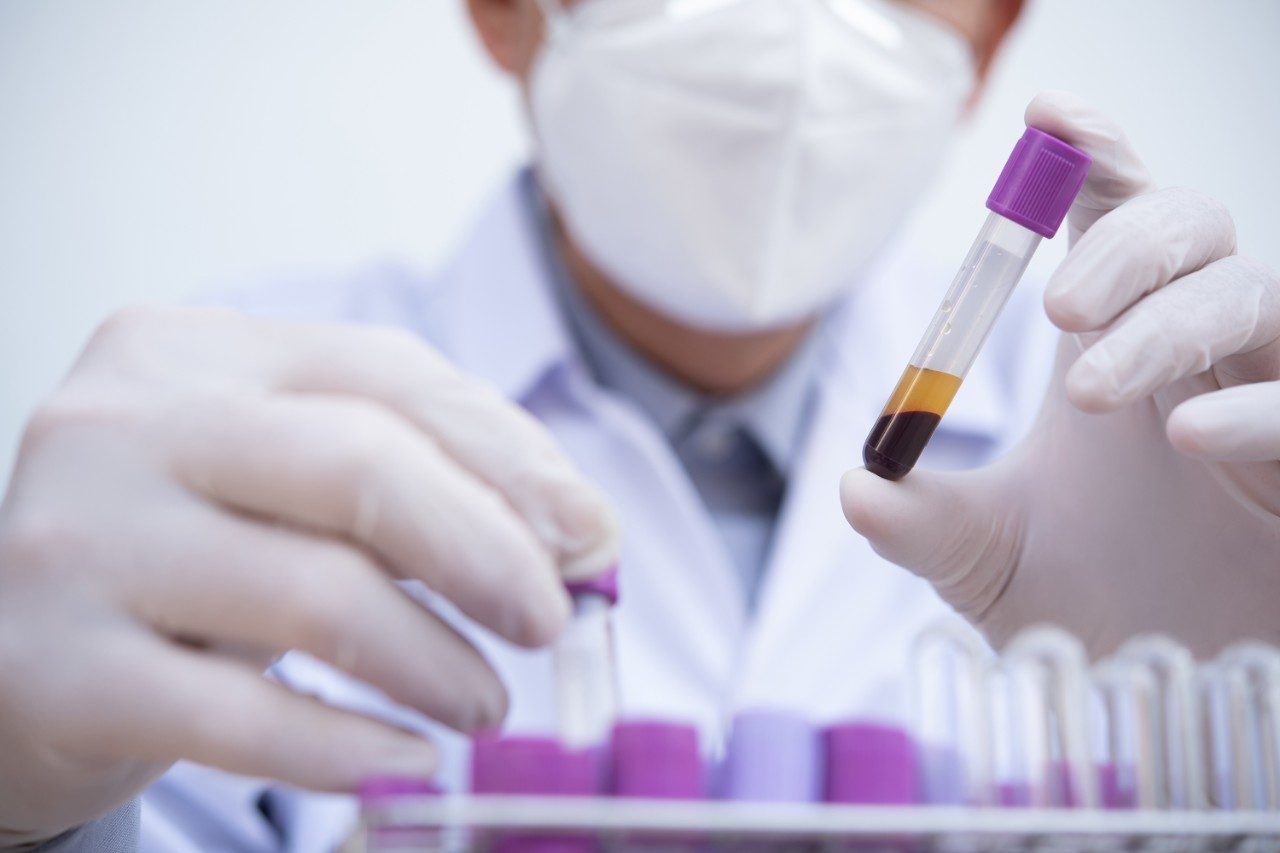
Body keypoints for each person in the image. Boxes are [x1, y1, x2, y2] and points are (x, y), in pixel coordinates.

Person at [1, 0, 1277, 848]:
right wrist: (25, 797)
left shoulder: (1173, 441)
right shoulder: (225, 429)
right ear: (507, 14)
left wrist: (1236, 747)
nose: (787, 32)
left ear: (984, 46)